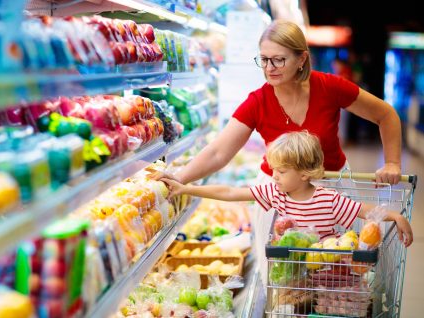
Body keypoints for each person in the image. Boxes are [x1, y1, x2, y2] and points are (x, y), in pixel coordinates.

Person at [152, 19, 403, 288]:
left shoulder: (330, 87)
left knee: (336, 272)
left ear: (301, 59)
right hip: (279, 195)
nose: (270, 68)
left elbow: (385, 114)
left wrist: (391, 162)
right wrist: (178, 177)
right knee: (283, 278)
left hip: (331, 191)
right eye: (264, 60)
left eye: (279, 60)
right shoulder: (258, 101)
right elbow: (217, 153)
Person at [159, 131, 413, 248]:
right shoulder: (275, 192)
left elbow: (364, 210)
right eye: (274, 170)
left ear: (304, 173)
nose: (274, 175)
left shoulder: (329, 199)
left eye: (281, 171)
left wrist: (396, 216)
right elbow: (229, 192)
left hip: (325, 274)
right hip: (289, 276)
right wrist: (186, 188)